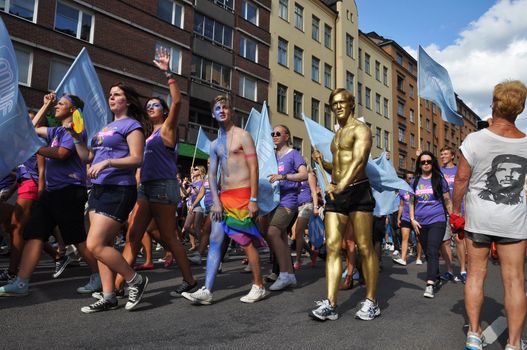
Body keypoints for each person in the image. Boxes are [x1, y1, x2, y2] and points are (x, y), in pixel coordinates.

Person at [112, 48, 197, 298]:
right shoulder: (146, 135)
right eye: (148, 105)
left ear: (164, 110)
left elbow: (178, 101)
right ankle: (116, 287)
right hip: (145, 187)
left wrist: (168, 72)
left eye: (156, 105)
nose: (151, 107)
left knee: (170, 237)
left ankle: (190, 280)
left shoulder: (168, 129)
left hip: (163, 186)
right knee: (133, 234)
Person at [0, 93, 101, 297]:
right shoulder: (55, 131)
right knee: (34, 234)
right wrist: (46, 105)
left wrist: (36, 147)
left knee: (77, 239)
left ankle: (99, 275)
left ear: (72, 110)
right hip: (51, 193)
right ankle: (21, 282)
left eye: (61, 104)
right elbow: (30, 129)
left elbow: (62, 154)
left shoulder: (74, 130)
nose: (57, 106)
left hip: (70, 191)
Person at [453, 80, 527, 350]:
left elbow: (461, 179)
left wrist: (455, 210)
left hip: (480, 218)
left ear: (494, 105)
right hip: (514, 221)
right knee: (515, 279)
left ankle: (474, 333)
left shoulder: (475, 139)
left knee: (475, 274)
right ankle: (514, 343)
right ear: (519, 109)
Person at [71, 83, 148, 313]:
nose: (111, 97)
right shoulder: (106, 127)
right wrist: (76, 138)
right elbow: (87, 156)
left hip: (119, 189)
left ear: (128, 101)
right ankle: (108, 296)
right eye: (110, 94)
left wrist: (108, 162)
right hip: (98, 189)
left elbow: (137, 159)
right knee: (102, 245)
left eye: (117, 94)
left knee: (94, 244)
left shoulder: (132, 126)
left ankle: (135, 280)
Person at [182, 95, 267, 304]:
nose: (222, 110)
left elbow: (254, 167)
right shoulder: (214, 145)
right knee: (214, 240)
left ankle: (259, 286)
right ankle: (207, 290)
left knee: (246, 243)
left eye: (226, 107)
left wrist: (253, 199)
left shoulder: (243, 136)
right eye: (218, 108)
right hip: (224, 197)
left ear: (232, 112)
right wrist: (217, 201)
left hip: (243, 195)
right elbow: (211, 175)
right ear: (213, 114)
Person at [310, 88, 379, 321]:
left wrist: (340, 185)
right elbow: (338, 166)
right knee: (332, 246)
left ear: (351, 105)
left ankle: (371, 301)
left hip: (358, 190)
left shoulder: (362, 130)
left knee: (364, 246)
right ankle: (330, 303)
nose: (338, 107)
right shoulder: (336, 135)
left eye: (342, 102)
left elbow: (359, 160)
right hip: (337, 192)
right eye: (334, 104)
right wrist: (323, 163)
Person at [267, 124, 307, 290]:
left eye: (278, 133)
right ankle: (290, 275)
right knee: (281, 237)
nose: (274, 136)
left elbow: (304, 174)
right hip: (272, 202)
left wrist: (283, 176)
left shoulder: (294, 154)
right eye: (273, 133)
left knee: (273, 232)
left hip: (288, 201)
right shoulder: (272, 156)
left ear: (287, 136)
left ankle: (283, 274)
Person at [409, 151, 451, 299]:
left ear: (432, 163)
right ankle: (437, 275)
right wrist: (412, 219)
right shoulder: (414, 182)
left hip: (437, 219)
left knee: (433, 249)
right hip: (420, 222)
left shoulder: (439, 180)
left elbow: (447, 200)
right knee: (428, 251)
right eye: (423, 162)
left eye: (428, 161)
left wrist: (452, 217)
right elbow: (412, 202)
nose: (426, 164)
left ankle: (430, 283)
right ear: (419, 165)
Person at [439, 146, 464, 283]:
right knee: (446, 241)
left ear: (452, 156)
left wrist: (463, 210)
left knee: (459, 240)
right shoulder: (438, 171)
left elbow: (465, 191)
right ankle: (449, 270)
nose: (442, 156)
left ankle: (463, 270)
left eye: (445, 154)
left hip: (458, 210)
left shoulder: (459, 170)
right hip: (442, 212)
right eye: (441, 154)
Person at [292, 162, 319, 269]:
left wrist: (316, 207)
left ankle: (298, 260)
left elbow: (314, 192)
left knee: (299, 233)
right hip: (295, 206)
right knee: (295, 235)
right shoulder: (294, 176)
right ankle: (312, 253)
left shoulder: (309, 175)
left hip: (306, 206)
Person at [393, 171, 416, 266]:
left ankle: (419, 255)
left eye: (412, 178)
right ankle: (403, 259)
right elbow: (401, 205)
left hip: (417, 217)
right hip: (406, 217)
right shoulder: (402, 190)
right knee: (404, 238)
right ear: (405, 179)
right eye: (409, 178)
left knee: (420, 239)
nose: (411, 180)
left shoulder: (417, 188)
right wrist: (399, 218)